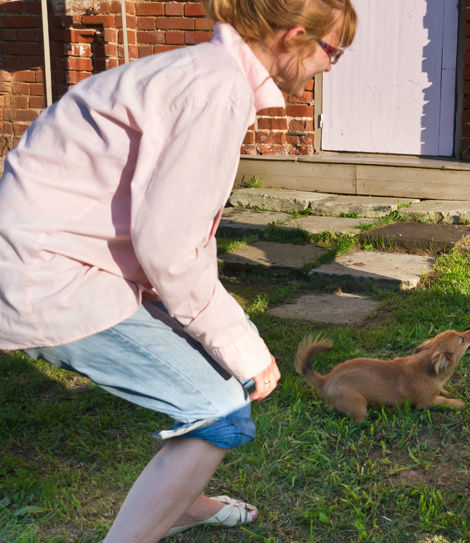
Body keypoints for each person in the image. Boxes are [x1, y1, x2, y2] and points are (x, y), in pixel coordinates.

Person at [0, 0, 356, 540]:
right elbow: (170, 246)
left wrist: (214, 331)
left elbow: (178, 232)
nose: (331, 65)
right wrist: (245, 348)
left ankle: (182, 504)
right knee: (218, 407)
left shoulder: (206, 73)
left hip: (59, 258)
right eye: (333, 51)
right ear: (294, 36)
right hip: (50, 277)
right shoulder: (217, 90)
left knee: (211, 381)